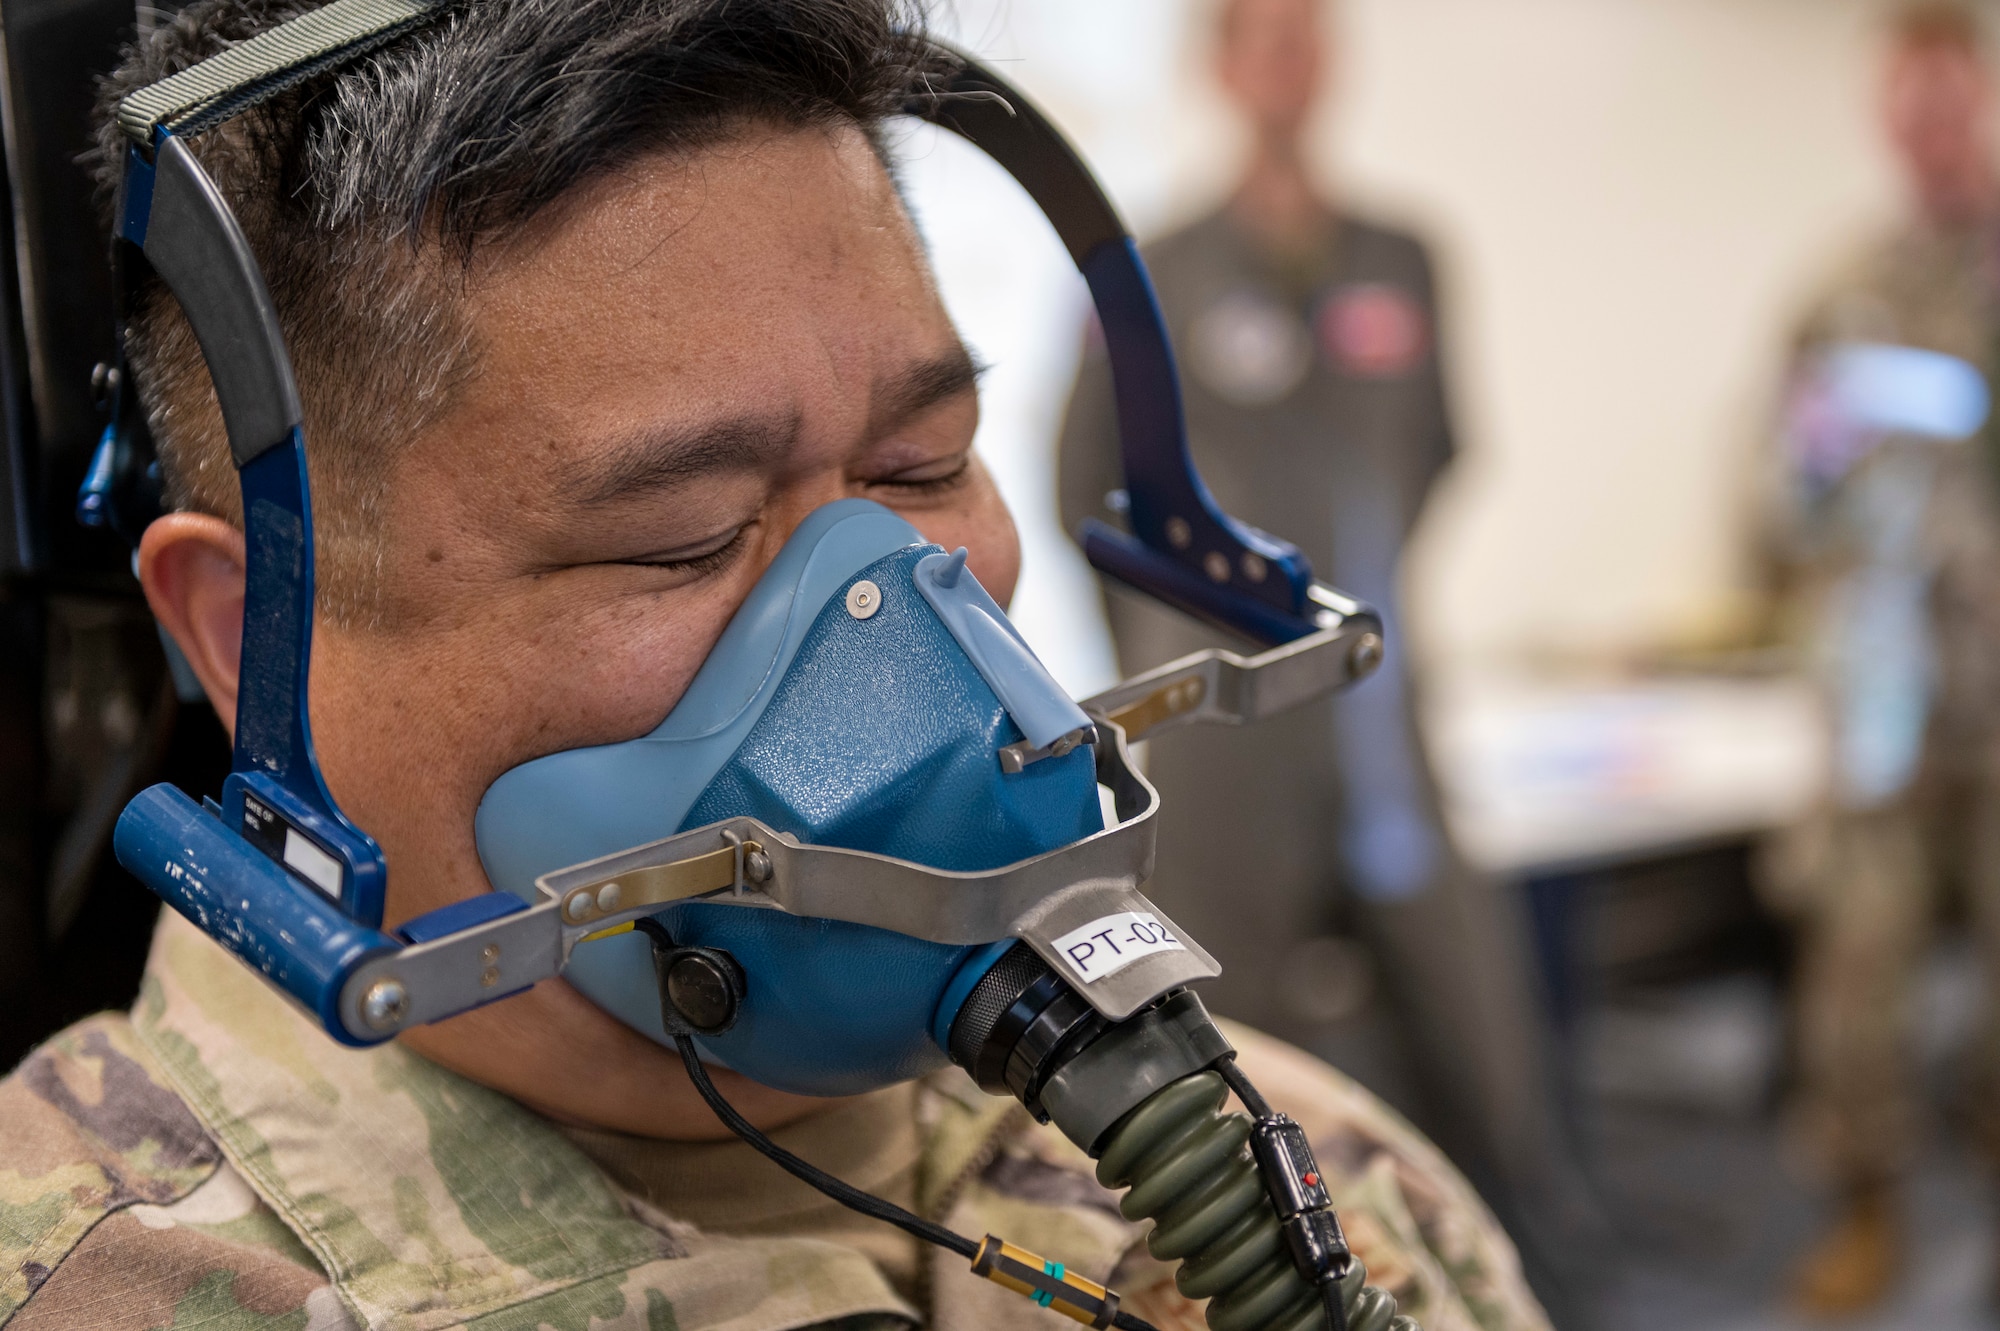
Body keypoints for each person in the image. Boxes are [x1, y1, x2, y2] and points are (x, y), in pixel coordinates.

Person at [0, 3, 1555, 1328]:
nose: (888, 622)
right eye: (679, 540)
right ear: (245, 632)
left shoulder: (1330, 1179)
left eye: (926, 463)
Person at [1057, 0, 1589, 1296]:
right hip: (1230, 755)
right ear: (1220, 65)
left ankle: (1549, 1287)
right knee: (1240, 1076)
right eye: (1263, 33)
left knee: (1482, 1048)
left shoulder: (1400, 258)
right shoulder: (1151, 276)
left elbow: (1440, 450)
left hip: (1379, 729)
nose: (1290, 59)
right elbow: (1087, 487)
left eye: (1310, 30)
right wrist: (1181, 649)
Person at [1757, 3, 2000, 1316]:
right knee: (1859, 972)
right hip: (1883, 704)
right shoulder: (1839, 292)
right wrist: (1817, 463)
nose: (1930, 129)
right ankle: (1868, 1209)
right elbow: (1775, 509)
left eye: (1949, 102)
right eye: (1908, 107)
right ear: (1885, 118)